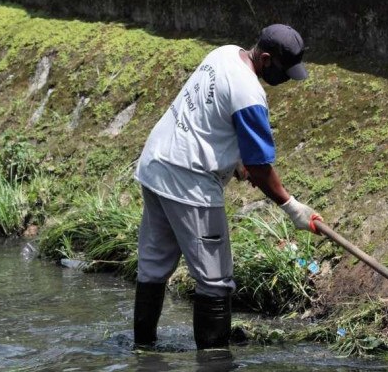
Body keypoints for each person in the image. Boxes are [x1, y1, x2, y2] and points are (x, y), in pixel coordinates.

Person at [132, 24, 322, 350]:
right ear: (265, 58)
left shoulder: (223, 54)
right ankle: (214, 361)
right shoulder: (249, 92)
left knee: (153, 267)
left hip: (156, 165)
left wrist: (233, 160)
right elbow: (261, 168)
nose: (287, 78)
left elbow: (207, 116)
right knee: (215, 282)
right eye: (283, 71)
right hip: (189, 181)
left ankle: (143, 350)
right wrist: (292, 208)